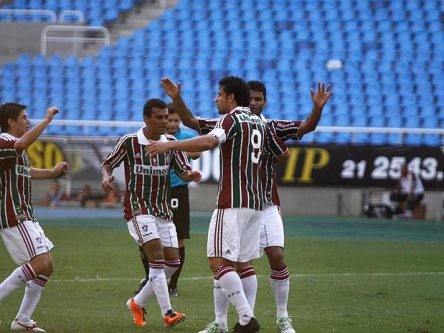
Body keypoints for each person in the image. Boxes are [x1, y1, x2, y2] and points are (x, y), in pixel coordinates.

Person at [158, 78, 332, 333]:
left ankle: (248, 317)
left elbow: (207, 141)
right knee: (242, 263)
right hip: (254, 204)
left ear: (230, 97)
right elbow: (281, 152)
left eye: (219, 94)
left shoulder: (232, 120)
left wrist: (169, 144)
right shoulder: (261, 126)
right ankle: (225, 321)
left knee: (218, 261)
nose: (216, 98)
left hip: (236, 201)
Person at [101, 98, 201, 329]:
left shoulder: (172, 143)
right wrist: (106, 177)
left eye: (166, 117)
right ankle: (167, 312)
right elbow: (108, 163)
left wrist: (191, 175)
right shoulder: (129, 142)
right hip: (138, 208)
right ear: (146, 118)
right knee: (157, 257)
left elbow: (183, 171)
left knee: (173, 262)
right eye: (160, 117)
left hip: (162, 209)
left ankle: (137, 303)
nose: (165, 121)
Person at [0, 103, 69, 332]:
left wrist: (51, 173)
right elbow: (22, 143)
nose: (27, 121)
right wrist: (47, 120)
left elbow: (23, 172)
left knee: (47, 266)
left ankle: (22, 320)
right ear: (11, 121)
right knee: (40, 263)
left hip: (25, 214)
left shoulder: (14, 149)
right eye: (24, 117)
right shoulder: (4, 141)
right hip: (13, 214)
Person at [135, 103, 201, 296]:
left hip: (178, 191)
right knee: (146, 238)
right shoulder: (151, 137)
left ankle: (173, 284)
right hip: (153, 191)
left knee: (178, 237)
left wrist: (172, 148)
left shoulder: (185, 138)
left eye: (175, 120)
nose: (171, 124)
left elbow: (197, 151)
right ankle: (150, 279)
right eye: (169, 119)